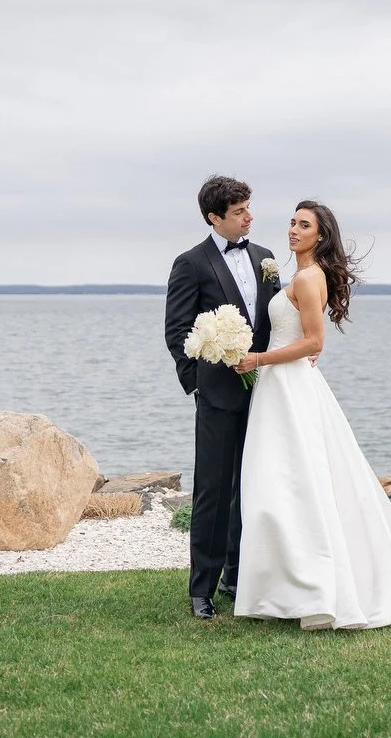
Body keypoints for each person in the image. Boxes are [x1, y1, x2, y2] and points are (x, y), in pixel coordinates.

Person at [232, 200, 391, 629]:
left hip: (289, 386)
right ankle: (282, 590)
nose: (294, 230)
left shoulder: (309, 277)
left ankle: (313, 590)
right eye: (292, 223)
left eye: (304, 225)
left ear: (320, 235)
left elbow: (315, 342)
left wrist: (258, 359)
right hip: (280, 387)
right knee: (279, 485)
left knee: (295, 483)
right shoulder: (298, 276)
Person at [163, 174, 277, 620]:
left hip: (267, 392)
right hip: (217, 396)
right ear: (215, 218)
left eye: (249, 208)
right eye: (239, 212)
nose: (250, 217)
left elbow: (272, 322)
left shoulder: (266, 259)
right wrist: (198, 385)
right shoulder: (190, 263)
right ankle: (202, 590)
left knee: (252, 484)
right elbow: (177, 331)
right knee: (213, 489)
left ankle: (239, 575)